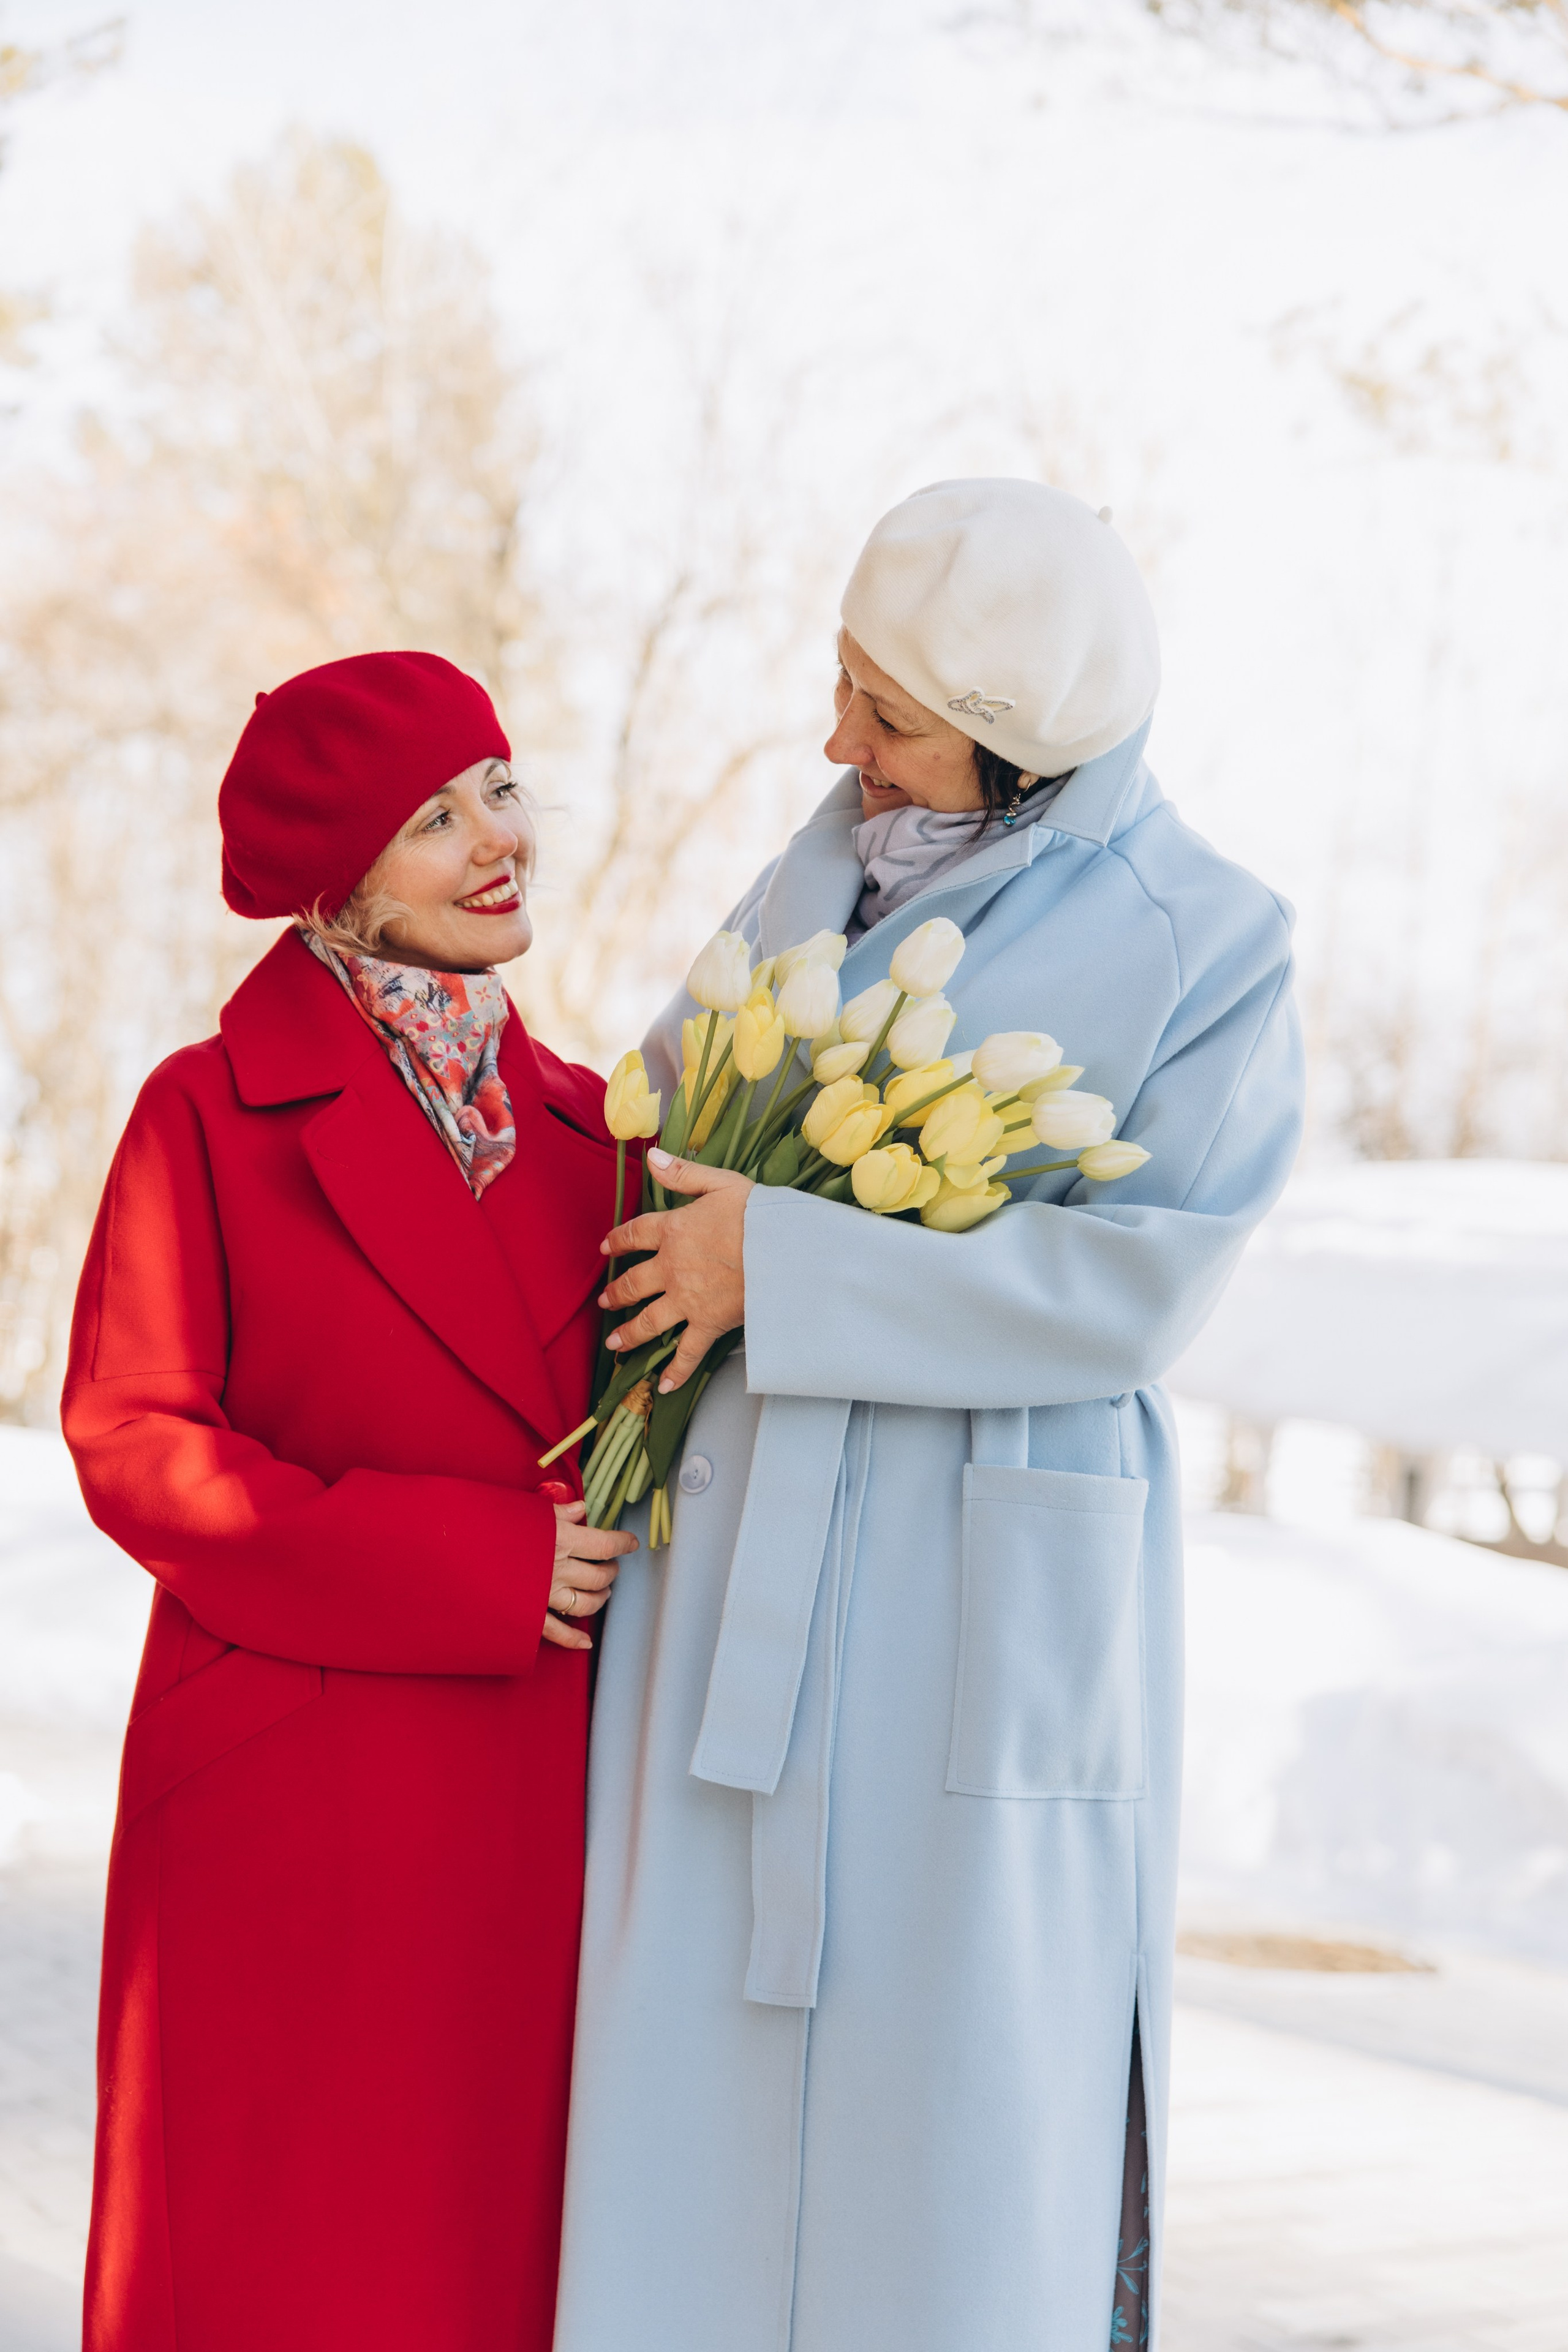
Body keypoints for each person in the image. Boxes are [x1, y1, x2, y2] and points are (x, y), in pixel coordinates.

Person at [554, 481, 1304, 2351]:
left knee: (956, 2134)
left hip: (984, 1597)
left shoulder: (1208, 939)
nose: (838, 744)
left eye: (881, 712)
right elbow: (672, 1104)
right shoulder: (825, 859)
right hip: (733, 1559)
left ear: (1014, 731)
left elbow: (1145, 1283)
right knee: (685, 2121)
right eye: (843, 689)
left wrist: (787, 1277)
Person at [62, 651, 634, 2352]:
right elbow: (140, 1441)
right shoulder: (207, 1115)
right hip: (290, 1805)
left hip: (529, 1812)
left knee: (486, 2279)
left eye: (501, 790)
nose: (492, 840)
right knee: (283, 2275)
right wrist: (475, 1566)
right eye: (432, 819)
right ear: (336, 873)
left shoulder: (605, 1135)